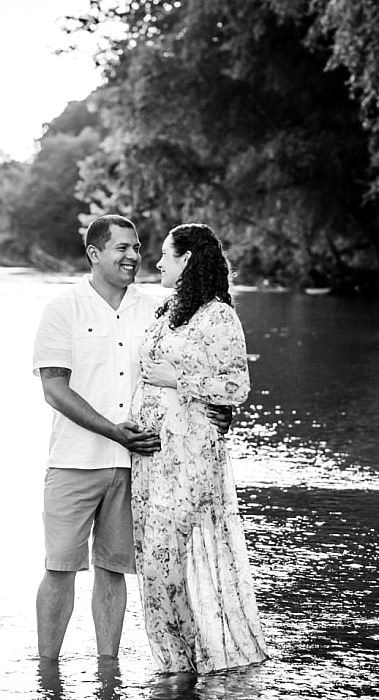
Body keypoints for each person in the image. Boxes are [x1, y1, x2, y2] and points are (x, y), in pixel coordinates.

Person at [31, 214, 231, 663]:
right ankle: (47, 676)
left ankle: (108, 673)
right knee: (60, 567)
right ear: (95, 254)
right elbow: (54, 389)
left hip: (140, 465)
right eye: (122, 248)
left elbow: (195, 364)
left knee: (113, 570)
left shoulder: (158, 309)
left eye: (138, 247)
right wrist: (112, 431)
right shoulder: (63, 309)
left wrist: (217, 407)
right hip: (75, 461)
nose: (133, 256)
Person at [129, 223, 269, 678]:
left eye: (166, 255)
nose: (157, 263)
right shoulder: (164, 309)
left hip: (191, 455)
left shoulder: (218, 316)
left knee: (166, 563)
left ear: (187, 259)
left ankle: (195, 664)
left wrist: (179, 381)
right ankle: (174, 669)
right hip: (150, 457)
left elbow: (236, 385)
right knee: (150, 562)